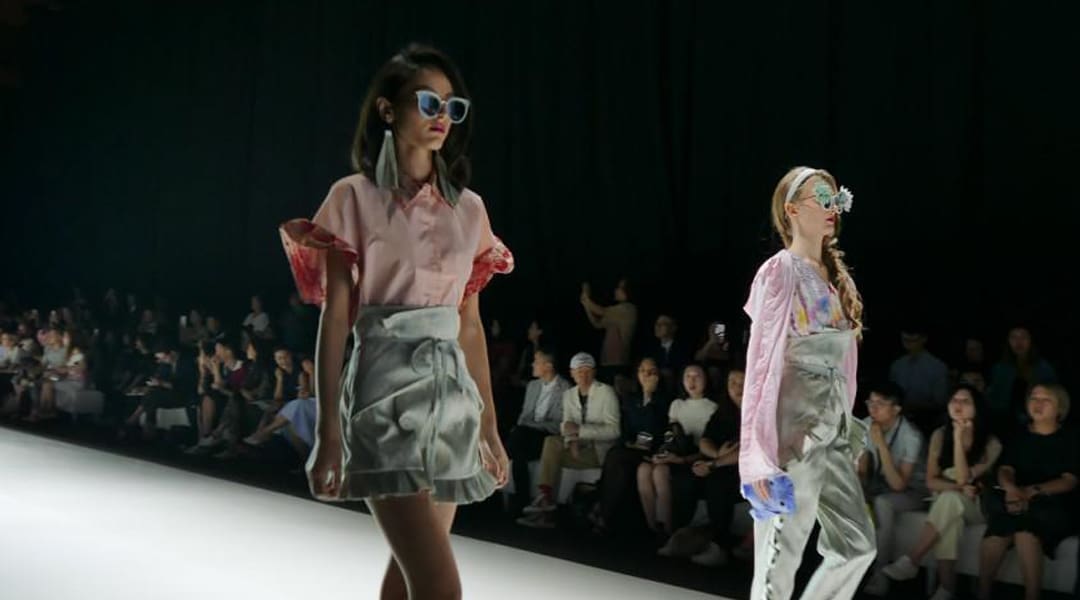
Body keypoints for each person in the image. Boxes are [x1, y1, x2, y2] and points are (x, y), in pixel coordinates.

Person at [279, 44, 512, 600]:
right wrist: (328, 433)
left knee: (408, 583)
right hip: (383, 396)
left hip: (451, 402)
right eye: (428, 102)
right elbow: (336, 319)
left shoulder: (470, 210)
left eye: (452, 107)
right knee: (437, 586)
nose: (441, 116)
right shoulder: (353, 198)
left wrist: (489, 427)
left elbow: (470, 326)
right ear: (388, 110)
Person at [739, 167, 874, 599]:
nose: (833, 207)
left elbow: (845, 364)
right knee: (780, 554)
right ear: (792, 210)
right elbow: (761, 364)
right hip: (794, 425)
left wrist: (846, 421)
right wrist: (757, 456)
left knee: (857, 545)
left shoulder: (837, 278)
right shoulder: (780, 270)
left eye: (836, 199)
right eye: (823, 198)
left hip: (832, 425)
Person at [882, 384, 1002, 600]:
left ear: (977, 408)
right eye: (954, 400)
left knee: (950, 500)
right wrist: (957, 488)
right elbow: (931, 481)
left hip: (977, 506)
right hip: (949, 502)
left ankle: (913, 559)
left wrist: (958, 438)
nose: (958, 405)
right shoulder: (939, 435)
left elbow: (964, 477)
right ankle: (946, 589)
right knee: (950, 509)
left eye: (965, 401)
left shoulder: (992, 443)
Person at [977, 384, 1078, 600]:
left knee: (1026, 529)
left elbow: (1069, 480)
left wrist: (1033, 491)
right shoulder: (1018, 435)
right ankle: (982, 593)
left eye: (1046, 400)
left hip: (1053, 502)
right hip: (1017, 498)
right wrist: (1011, 488)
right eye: (1034, 398)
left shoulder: (1071, 438)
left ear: (1060, 408)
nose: (1038, 404)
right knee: (1000, 525)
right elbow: (1005, 469)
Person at [857, 382, 927, 597]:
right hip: (879, 487)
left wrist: (881, 445)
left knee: (883, 503)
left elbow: (899, 484)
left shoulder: (911, 436)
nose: (873, 408)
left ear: (896, 409)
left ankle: (880, 573)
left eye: (880, 403)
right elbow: (862, 469)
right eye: (870, 402)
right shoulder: (865, 425)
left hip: (914, 491)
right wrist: (860, 493)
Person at [506, 347, 570, 509]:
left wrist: (530, 425)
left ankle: (519, 500)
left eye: (536, 362)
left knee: (517, 439)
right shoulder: (532, 386)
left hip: (546, 436)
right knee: (519, 447)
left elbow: (557, 425)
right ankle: (522, 501)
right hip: (525, 435)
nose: (532, 365)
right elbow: (523, 415)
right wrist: (524, 425)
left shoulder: (565, 389)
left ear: (548, 366)